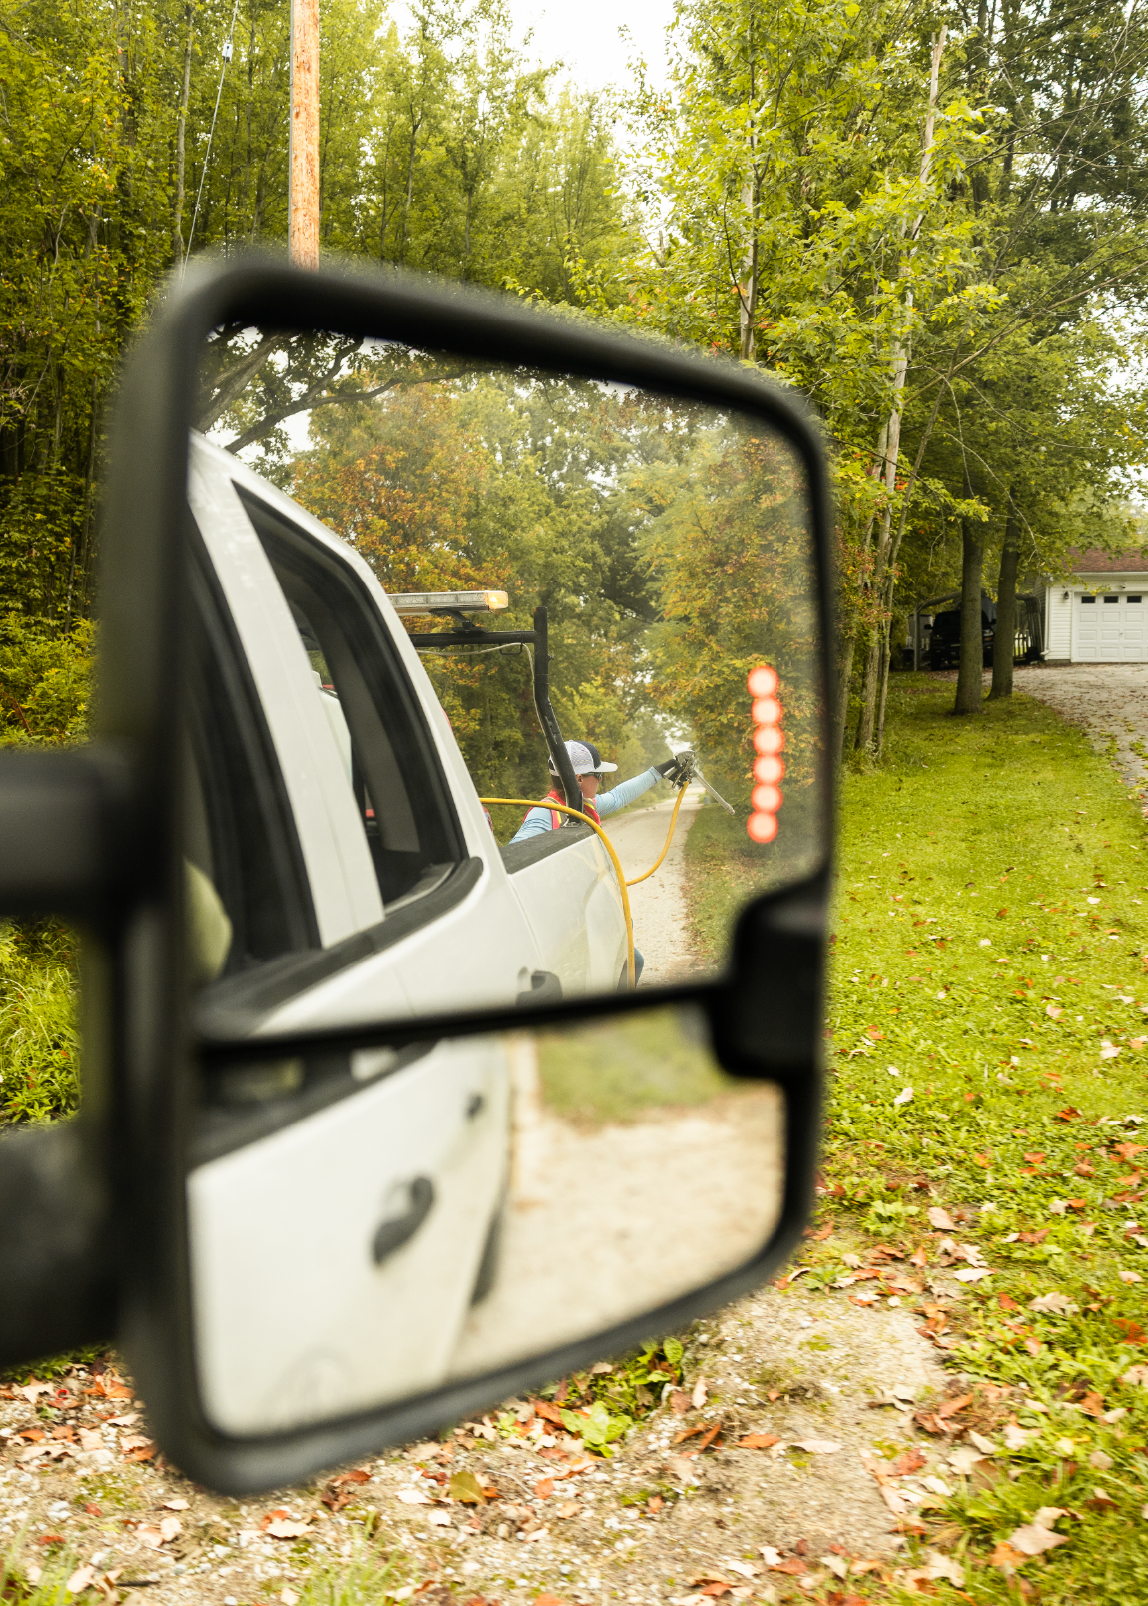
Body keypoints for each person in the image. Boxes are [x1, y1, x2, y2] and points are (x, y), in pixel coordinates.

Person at [509, 740, 691, 985]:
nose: (602, 781)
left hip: (582, 907)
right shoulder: (545, 812)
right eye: (598, 775)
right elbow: (511, 860)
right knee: (627, 963)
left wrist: (661, 769)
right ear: (580, 779)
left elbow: (618, 797)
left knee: (633, 959)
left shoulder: (580, 806)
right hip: (561, 921)